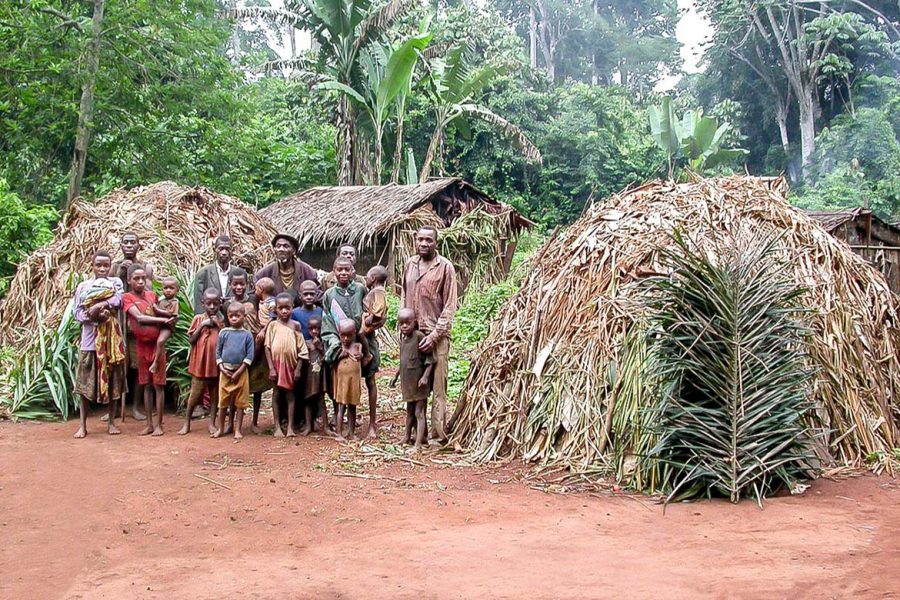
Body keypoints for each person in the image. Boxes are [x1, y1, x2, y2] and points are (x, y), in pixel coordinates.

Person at [401, 226, 457, 443]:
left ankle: (437, 434)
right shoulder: (410, 264)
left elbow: (450, 306)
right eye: (420, 239)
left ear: (436, 243)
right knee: (415, 384)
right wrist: (404, 331)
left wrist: (434, 336)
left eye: (428, 240)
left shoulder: (445, 268)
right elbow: (405, 296)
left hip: (437, 336)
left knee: (438, 386)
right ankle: (416, 435)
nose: (424, 244)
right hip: (413, 335)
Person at [73, 250, 126, 438]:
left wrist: (98, 306)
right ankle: (82, 425)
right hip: (89, 341)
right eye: (99, 265)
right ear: (92, 265)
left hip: (111, 341)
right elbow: (77, 312)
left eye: (106, 265)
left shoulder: (116, 283)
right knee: (84, 383)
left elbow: (119, 300)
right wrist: (93, 316)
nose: (102, 269)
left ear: (111, 265)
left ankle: (111, 422)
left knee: (113, 381)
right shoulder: (83, 287)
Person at [123, 265, 174, 436]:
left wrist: (169, 317)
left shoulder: (152, 295)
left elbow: (158, 310)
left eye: (143, 278)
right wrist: (163, 320)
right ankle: (149, 424)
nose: (140, 281)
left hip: (156, 345)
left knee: (158, 385)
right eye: (136, 278)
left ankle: (159, 424)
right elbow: (139, 318)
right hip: (141, 346)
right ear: (129, 280)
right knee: (146, 385)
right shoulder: (127, 298)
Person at [321, 257, 368, 424]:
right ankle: (339, 418)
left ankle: (360, 421)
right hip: (340, 346)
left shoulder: (361, 289)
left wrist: (364, 330)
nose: (343, 273)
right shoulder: (329, 295)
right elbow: (327, 322)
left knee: (360, 382)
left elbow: (368, 312)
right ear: (334, 272)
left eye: (346, 269)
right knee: (339, 384)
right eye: (339, 270)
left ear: (352, 271)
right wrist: (338, 346)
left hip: (359, 344)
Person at [111, 232, 152, 422]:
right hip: (118, 326)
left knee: (137, 367)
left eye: (132, 242)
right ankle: (115, 406)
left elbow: (150, 293)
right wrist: (120, 274)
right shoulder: (113, 267)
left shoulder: (146, 267)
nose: (129, 245)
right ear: (120, 245)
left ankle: (135, 406)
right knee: (118, 366)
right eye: (125, 242)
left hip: (137, 327)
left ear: (138, 245)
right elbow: (109, 292)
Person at [228, 269, 271, 433]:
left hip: (256, 343)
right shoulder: (228, 303)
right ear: (230, 285)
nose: (239, 287)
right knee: (235, 384)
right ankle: (231, 422)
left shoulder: (254, 299)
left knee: (257, 384)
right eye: (235, 284)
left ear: (248, 285)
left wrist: (263, 330)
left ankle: (254, 421)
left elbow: (268, 307)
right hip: (237, 347)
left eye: (242, 284)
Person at [178, 288, 223, 435]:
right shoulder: (198, 319)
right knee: (195, 394)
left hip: (214, 365)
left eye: (215, 304)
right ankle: (187, 422)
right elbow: (191, 340)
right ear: (203, 303)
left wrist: (217, 324)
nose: (212, 307)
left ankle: (212, 423)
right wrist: (203, 324)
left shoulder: (222, 321)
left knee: (214, 394)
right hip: (199, 364)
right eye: (209, 304)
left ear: (220, 304)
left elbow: (224, 338)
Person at [264, 292, 308, 437]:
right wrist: (271, 367)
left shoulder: (296, 326)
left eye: (287, 308)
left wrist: (298, 369)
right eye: (280, 308)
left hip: (290, 366)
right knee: (276, 394)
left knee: (290, 395)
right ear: (275, 309)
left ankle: (290, 427)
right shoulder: (272, 325)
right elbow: (267, 347)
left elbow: (302, 349)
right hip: (276, 366)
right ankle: (277, 426)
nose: (284, 311)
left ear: (292, 308)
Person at [391, 308, 434, 451]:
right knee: (409, 412)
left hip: (419, 384)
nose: (404, 326)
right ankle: (407, 436)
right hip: (408, 383)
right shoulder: (403, 339)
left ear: (414, 323)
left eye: (407, 323)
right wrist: (396, 376)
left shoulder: (419, 337)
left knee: (419, 413)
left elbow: (430, 359)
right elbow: (403, 361)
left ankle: (419, 443)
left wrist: (425, 377)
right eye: (401, 323)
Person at [214, 302, 254, 439]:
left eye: (238, 315)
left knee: (240, 402)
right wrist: (221, 368)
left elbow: (249, 355)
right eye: (231, 316)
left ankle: (238, 429)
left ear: (244, 316)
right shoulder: (224, 333)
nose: (234, 318)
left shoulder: (247, 335)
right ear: (227, 316)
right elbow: (218, 352)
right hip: (225, 371)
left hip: (241, 372)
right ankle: (220, 428)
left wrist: (239, 371)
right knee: (223, 401)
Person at [361, 265, 388, 438]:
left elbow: (378, 310)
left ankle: (372, 423)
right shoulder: (369, 291)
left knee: (370, 381)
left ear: (375, 278)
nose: (366, 278)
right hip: (362, 337)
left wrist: (369, 319)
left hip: (368, 338)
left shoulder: (378, 292)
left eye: (368, 275)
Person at [255, 234, 319, 303]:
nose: (281, 249)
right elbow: (254, 295)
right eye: (278, 246)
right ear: (274, 250)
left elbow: (318, 294)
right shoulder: (264, 273)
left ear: (294, 250)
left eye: (286, 246)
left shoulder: (307, 271)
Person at [192, 235, 242, 314]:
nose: (224, 252)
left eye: (227, 249)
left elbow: (244, 299)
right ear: (214, 250)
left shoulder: (239, 274)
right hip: (211, 319)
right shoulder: (203, 274)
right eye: (221, 249)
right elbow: (199, 304)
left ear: (232, 251)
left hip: (234, 319)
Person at [333, 318, 362, 441]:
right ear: (339, 333)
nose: (346, 339)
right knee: (341, 407)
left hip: (353, 382)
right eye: (343, 336)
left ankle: (351, 432)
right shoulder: (338, 347)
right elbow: (331, 363)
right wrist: (340, 355)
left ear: (354, 333)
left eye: (349, 335)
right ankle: (339, 433)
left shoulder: (357, 346)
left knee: (352, 407)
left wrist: (361, 355)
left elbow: (361, 358)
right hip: (342, 382)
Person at [298, 316, 326, 436]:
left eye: (317, 328)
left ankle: (326, 427)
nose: (314, 331)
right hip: (308, 377)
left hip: (320, 376)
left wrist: (320, 348)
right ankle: (308, 426)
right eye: (311, 329)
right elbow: (302, 358)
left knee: (321, 400)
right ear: (308, 329)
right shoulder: (306, 343)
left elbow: (326, 359)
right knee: (308, 400)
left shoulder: (324, 342)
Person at [150, 276, 179, 375]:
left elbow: (170, 314)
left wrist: (157, 310)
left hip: (166, 327)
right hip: (158, 324)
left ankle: (156, 362)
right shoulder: (161, 299)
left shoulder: (175, 302)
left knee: (160, 341)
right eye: (165, 288)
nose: (168, 291)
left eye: (171, 288)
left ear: (177, 290)